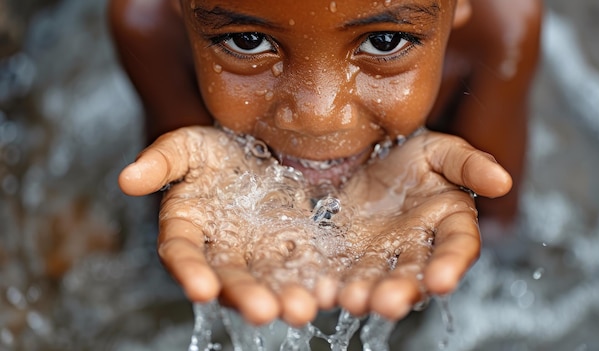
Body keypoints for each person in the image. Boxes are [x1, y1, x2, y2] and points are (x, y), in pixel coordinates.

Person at [109, 0, 541, 326]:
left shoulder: (502, 26)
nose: (319, 118)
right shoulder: (148, 26)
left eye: (384, 42)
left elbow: (499, 229)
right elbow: (180, 230)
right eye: (247, 41)